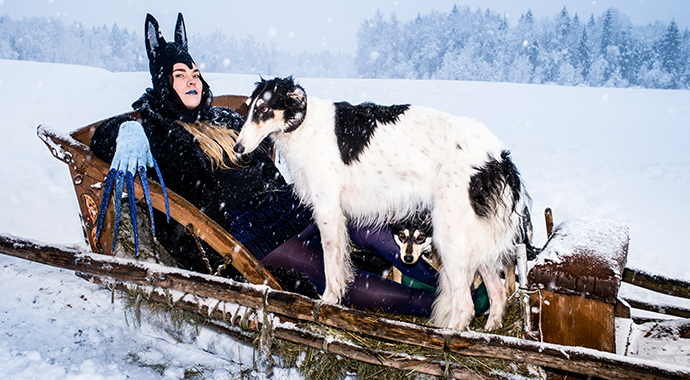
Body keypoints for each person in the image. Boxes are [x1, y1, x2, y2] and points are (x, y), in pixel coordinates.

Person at [90, 13, 443, 317]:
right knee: (325, 270)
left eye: (195, 72)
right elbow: (96, 139)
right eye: (180, 75)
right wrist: (126, 128)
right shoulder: (157, 129)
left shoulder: (223, 117)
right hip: (238, 231)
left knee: (356, 219)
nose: (192, 80)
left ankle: (451, 286)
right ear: (163, 84)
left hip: (278, 203)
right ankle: (429, 305)